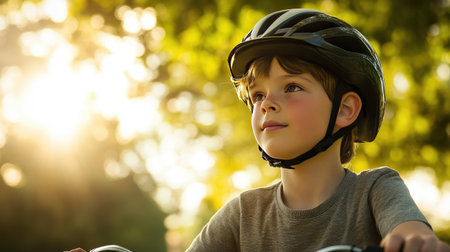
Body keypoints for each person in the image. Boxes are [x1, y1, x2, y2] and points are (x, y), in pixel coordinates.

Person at [187, 9, 450, 252]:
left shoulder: (374, 190)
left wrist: (415, 240)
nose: (266, 104)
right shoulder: (244, 214)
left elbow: (409, 232)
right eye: (257, 95)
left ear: (345, 109)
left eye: (291, 87)